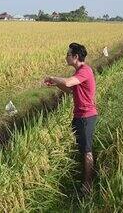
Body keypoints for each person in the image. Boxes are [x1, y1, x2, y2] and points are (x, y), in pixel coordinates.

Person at [43, 42, 98, 193]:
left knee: (87, 150)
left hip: (86, 117)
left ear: (75, 56)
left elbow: (67, 82)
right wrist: (55, 84)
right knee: (81, 147)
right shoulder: (78, 72)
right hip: (79, 115)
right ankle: (81, 176)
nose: (65, 57)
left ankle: (87, 184)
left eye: (68, 54)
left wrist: (53, 77)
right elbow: (69, 89)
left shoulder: (84, 71)